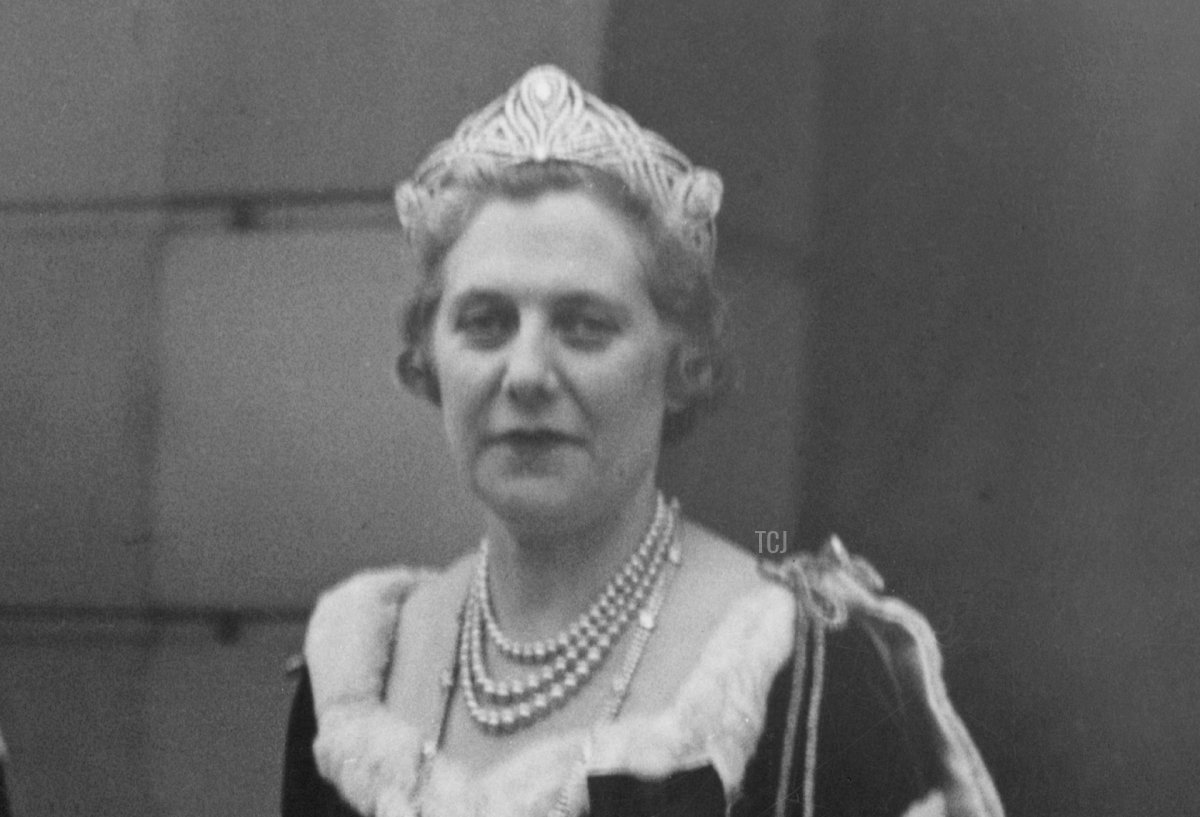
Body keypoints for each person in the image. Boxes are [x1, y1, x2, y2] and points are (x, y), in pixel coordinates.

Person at [281, 65, 1004, 817]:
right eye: (485, 322)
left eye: (585, 324)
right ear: (429, 357)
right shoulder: (355, 673)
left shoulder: (807, 669)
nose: (526, 373)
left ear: (681, 363)